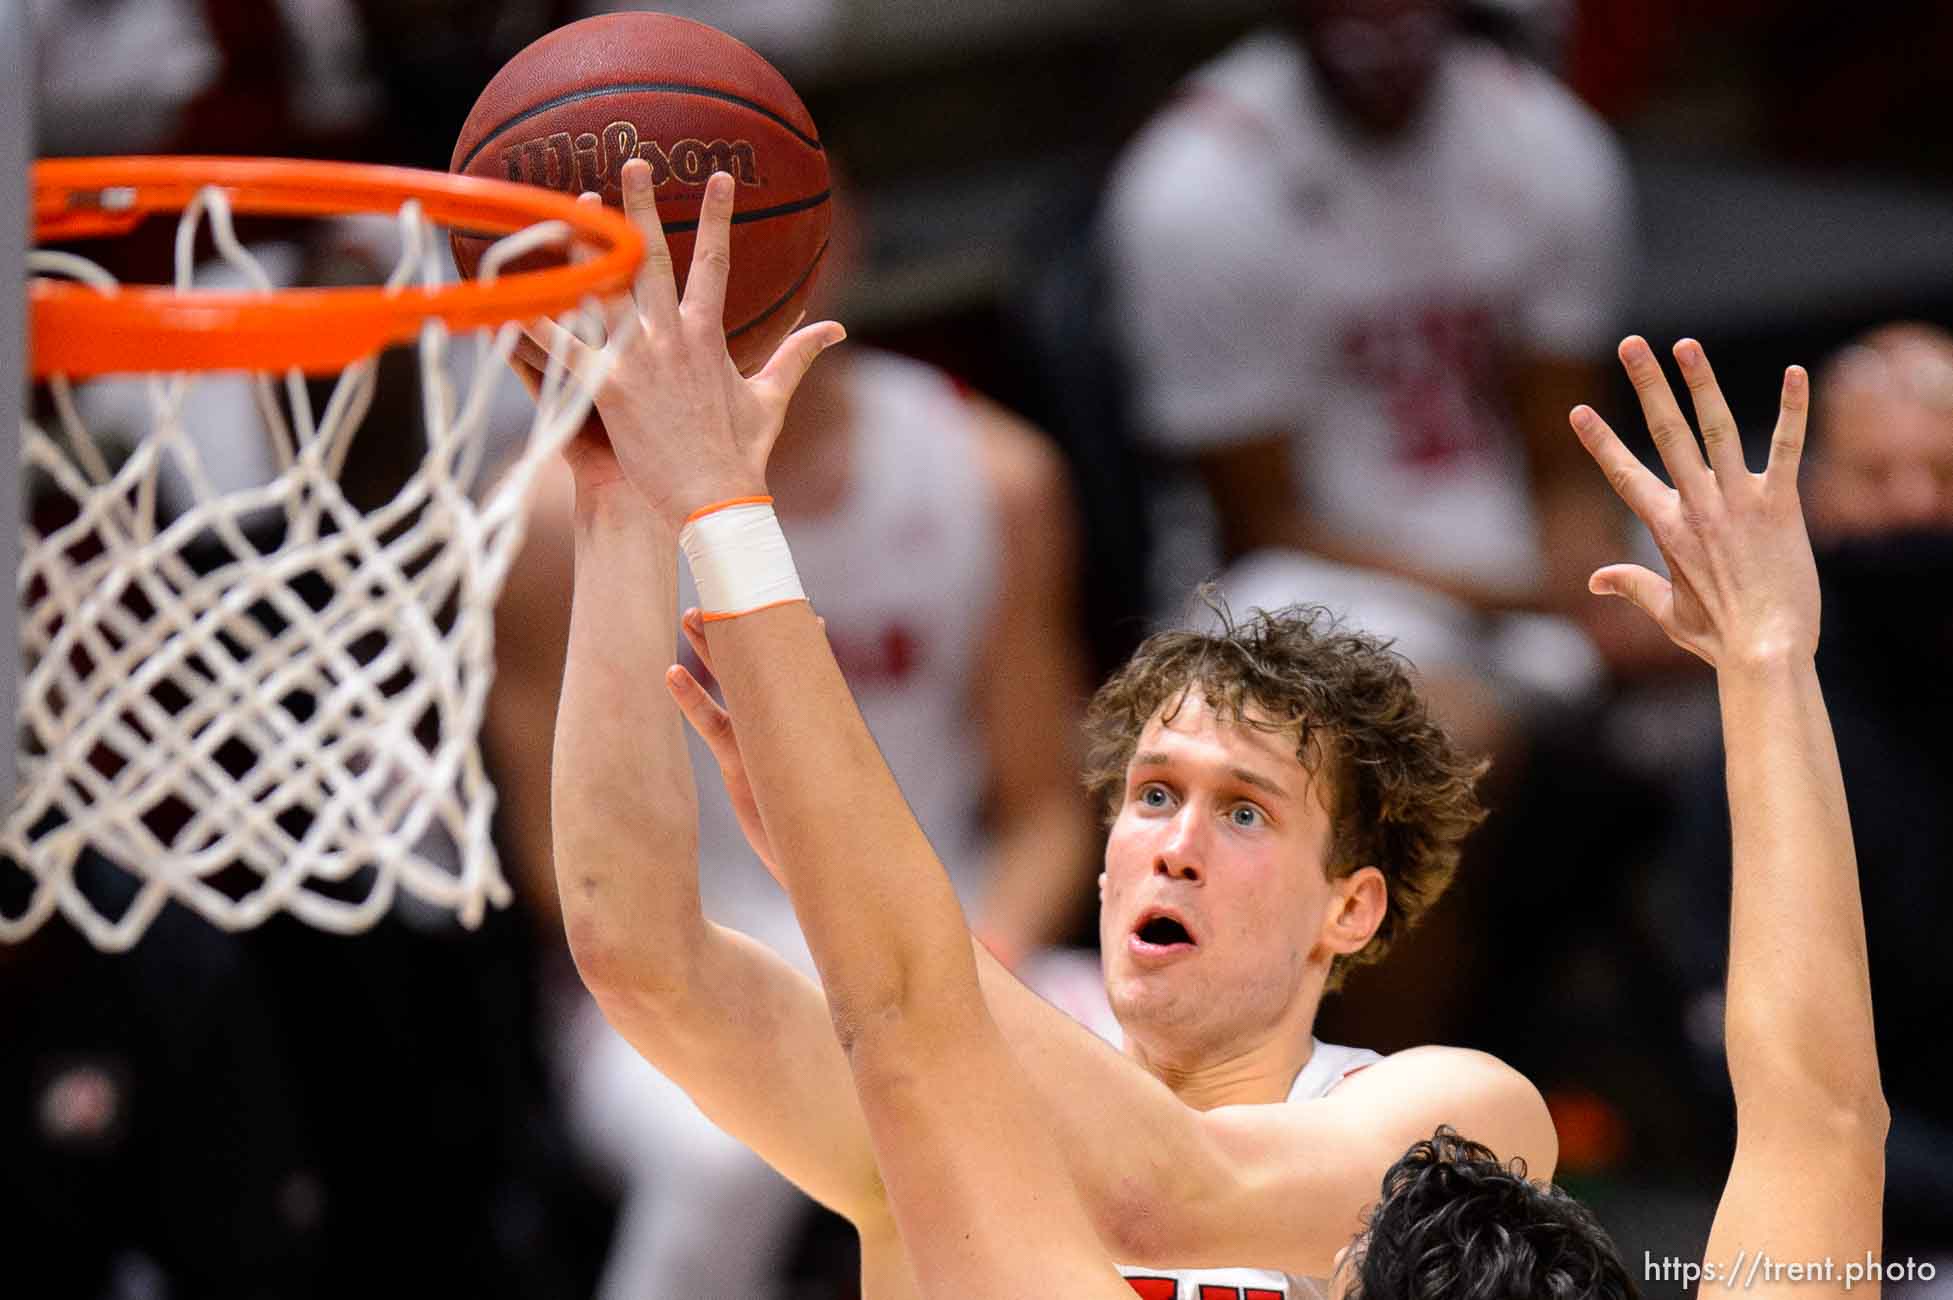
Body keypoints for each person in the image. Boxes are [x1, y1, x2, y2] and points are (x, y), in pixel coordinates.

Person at [552, 168, 1887, 1298]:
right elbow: (640, 950)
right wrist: (624, 507)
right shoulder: (972, 1061)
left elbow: (1142, 1175)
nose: (1176, 844)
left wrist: (730, 523)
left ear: (1351, 908)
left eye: (1244, 809)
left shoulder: (1441, 1121)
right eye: (1149, 798)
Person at [487, 186, 1099, 1296]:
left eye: (740, 237)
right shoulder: (551, 515)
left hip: (959, 926)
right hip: (688, 950)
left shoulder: (994, 475)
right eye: (675, 258)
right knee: (727, 1158)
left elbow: (1048, 807)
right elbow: (558, 863)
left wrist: (972, 969)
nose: (708, 288)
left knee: (1156, 1079)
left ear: (836, 236)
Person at [1102, 0, 1667, 746]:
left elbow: (1562, 449)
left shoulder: (1537, 132)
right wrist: (1526, 601)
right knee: (1415, 735)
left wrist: (1590, 570)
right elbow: (1263, 521)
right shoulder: (1199, 181)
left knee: (1764, 619)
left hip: (1508, 540)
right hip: (1311, 578)